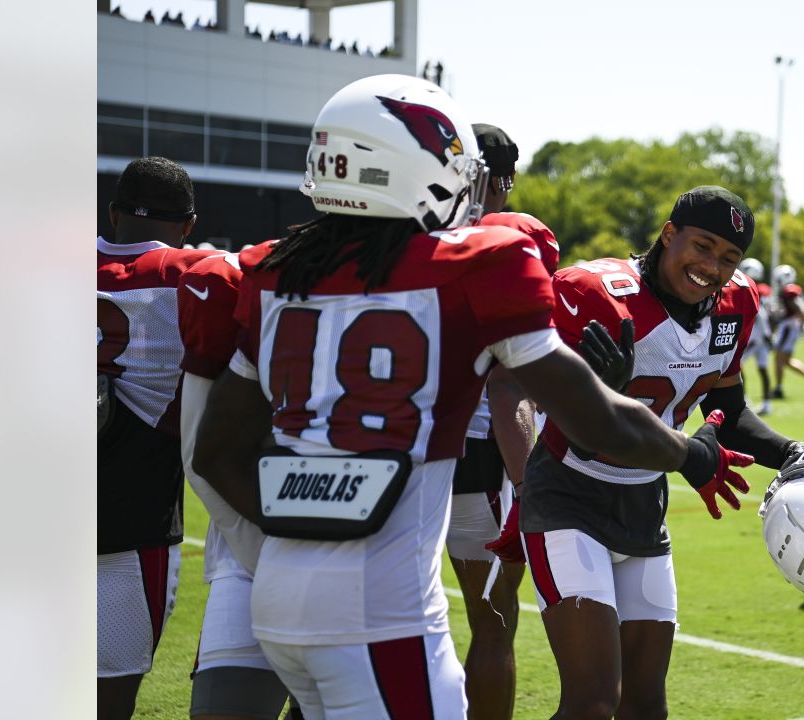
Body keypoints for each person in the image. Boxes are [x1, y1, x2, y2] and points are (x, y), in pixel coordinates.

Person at [191, 74, 750, 720]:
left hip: (276, 594)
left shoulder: (275, 267)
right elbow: (593, 416)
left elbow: (215, 453)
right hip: (386, 608)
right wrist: (691, 453)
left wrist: (301, 528)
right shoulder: (470, 269)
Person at [489, 186, 804, 720]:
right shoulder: (592, 291)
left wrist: (797, 454)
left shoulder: (737, 302)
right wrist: (584, 406)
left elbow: (727, 410)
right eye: (702, 246)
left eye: (729, 258)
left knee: (646, 707)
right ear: (669, 234)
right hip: (568, 497)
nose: (712, 267)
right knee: (593, 705)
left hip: (645, 504)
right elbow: (509, 384)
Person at [97, 157, 218, 720]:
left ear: (113, 213)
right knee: (109, 702)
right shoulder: (195, 274)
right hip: (132, 519)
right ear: (189, 224)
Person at [443, 121, 554, 720]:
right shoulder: (511, 240)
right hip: (476, 452)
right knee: (492, 624)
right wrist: (533, 486)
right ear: (504, 180)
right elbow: (509, 379)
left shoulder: (402, 229)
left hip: (384, 445)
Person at [178, 251, 296, 720]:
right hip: (252, 553)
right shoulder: (237, 291)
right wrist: (270, 561)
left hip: (354, 554)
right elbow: (201, 457)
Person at [771, 274, 804, 399]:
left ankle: (779, 389)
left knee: (779, 358)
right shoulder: (790, 290)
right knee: (785, 360)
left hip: (789, 326)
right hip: (790, 326)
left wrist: (803, 324)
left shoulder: (789, 291)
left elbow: (801, 308)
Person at [737, 258, 774, 414]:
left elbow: (760, 314)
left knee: (736, 366)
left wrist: (766, 334)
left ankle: (744, 398)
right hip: (762, 337)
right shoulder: (763, 290)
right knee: (763, 369)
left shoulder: (751, 290)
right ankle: (767, 403)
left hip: (756, 337)